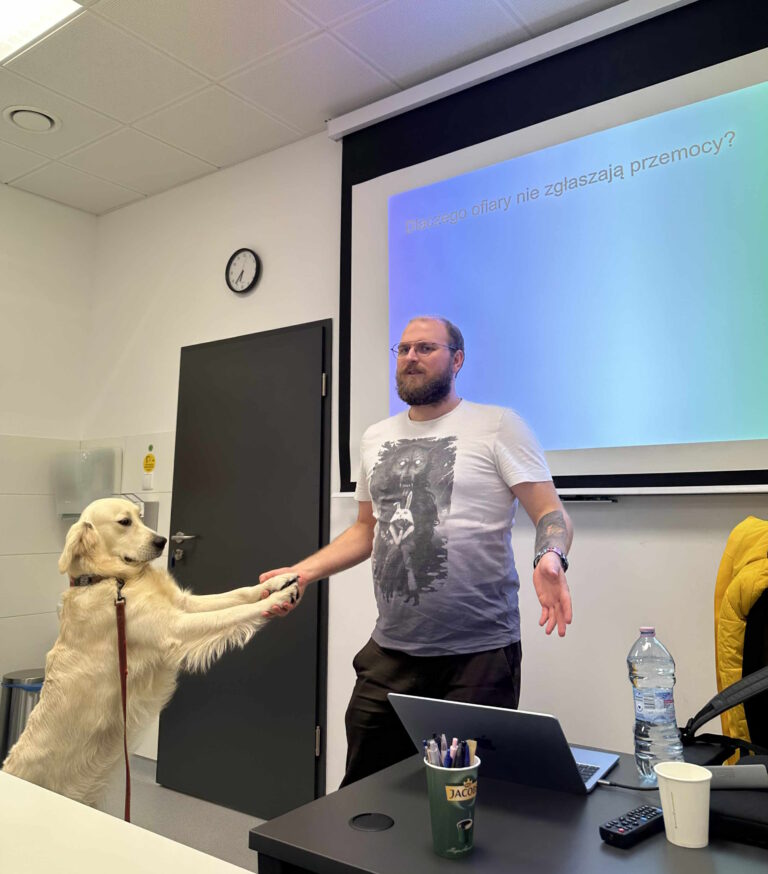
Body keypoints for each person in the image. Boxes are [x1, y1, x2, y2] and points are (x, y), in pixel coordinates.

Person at [260, 315, 573, 786]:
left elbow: (550, 512)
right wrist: (303, 572)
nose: (411, 357)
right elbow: (365, 530)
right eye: (404, 349)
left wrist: (550, 555)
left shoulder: (498, 426)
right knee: (366, 793)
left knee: (465, 796)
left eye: (426, 348)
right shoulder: (375, 437)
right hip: (391, 652)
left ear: (457, 359)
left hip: (478, 656)